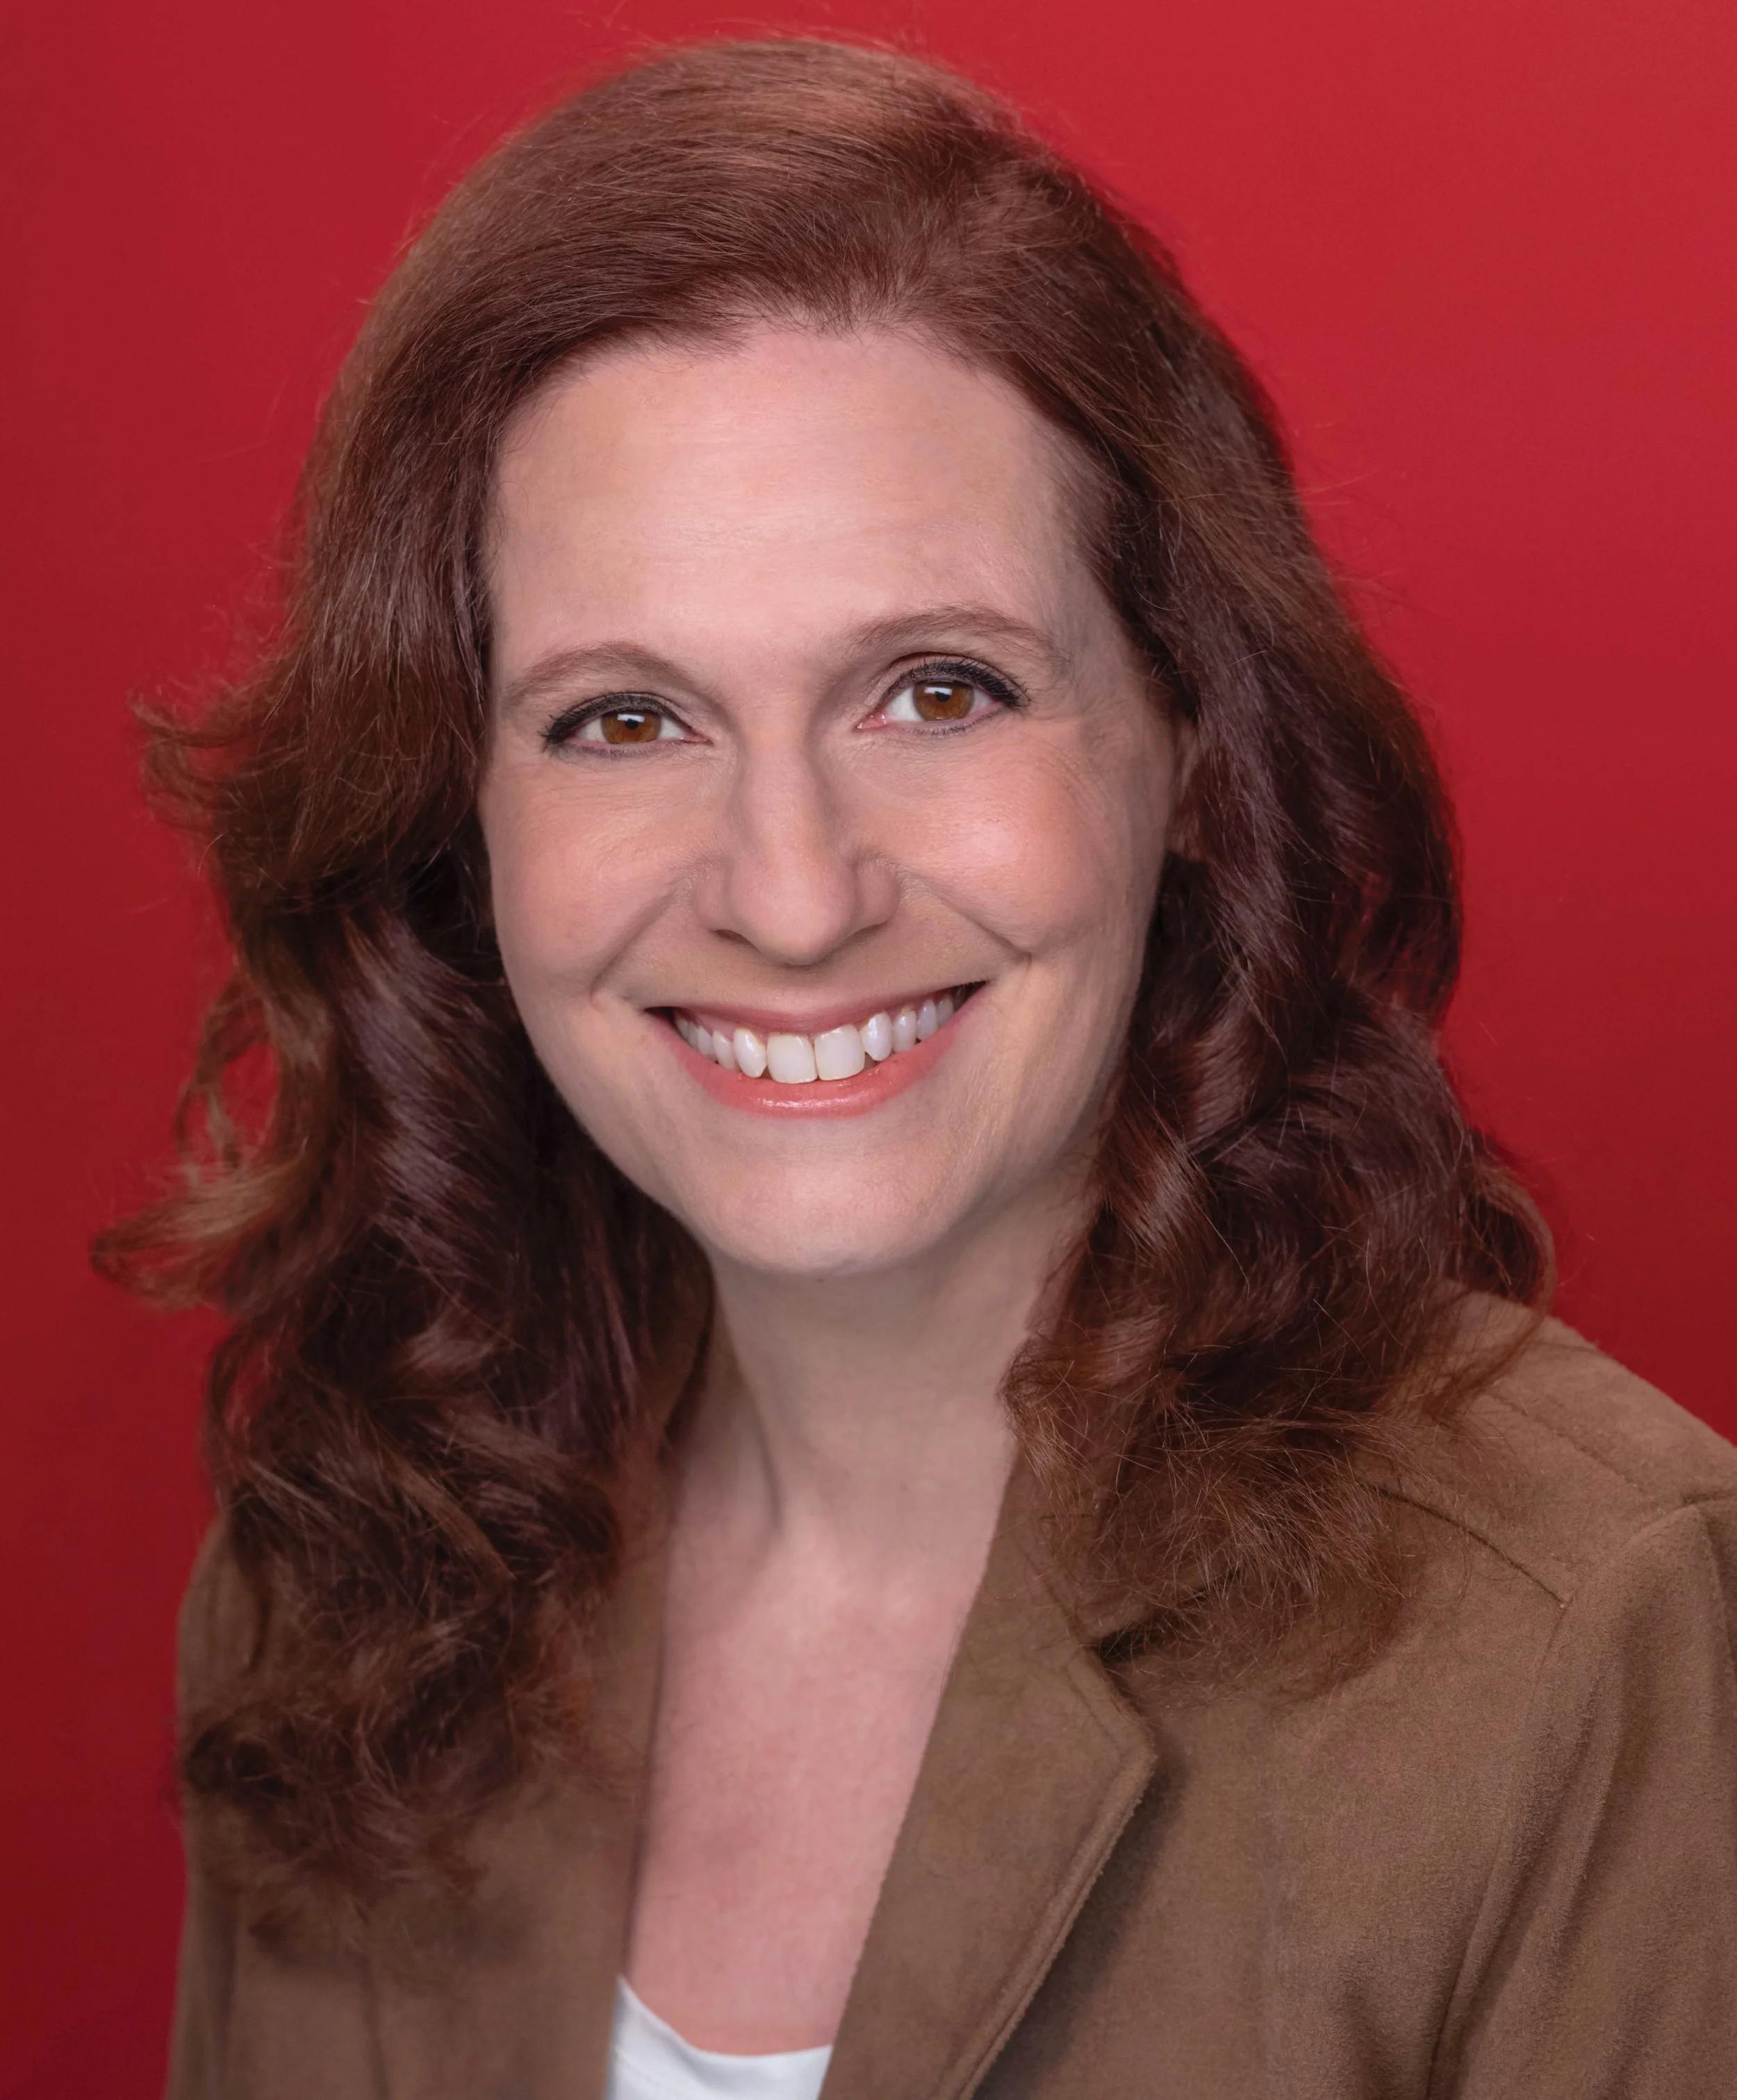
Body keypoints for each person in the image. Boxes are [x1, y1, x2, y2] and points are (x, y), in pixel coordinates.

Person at [103, 36, 1737, 2100]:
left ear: (1194, 760)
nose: (792, 895)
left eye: (935, 689)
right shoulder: (341, 1569)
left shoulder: (1596, 1638)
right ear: (458, 820)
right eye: (624, 717)